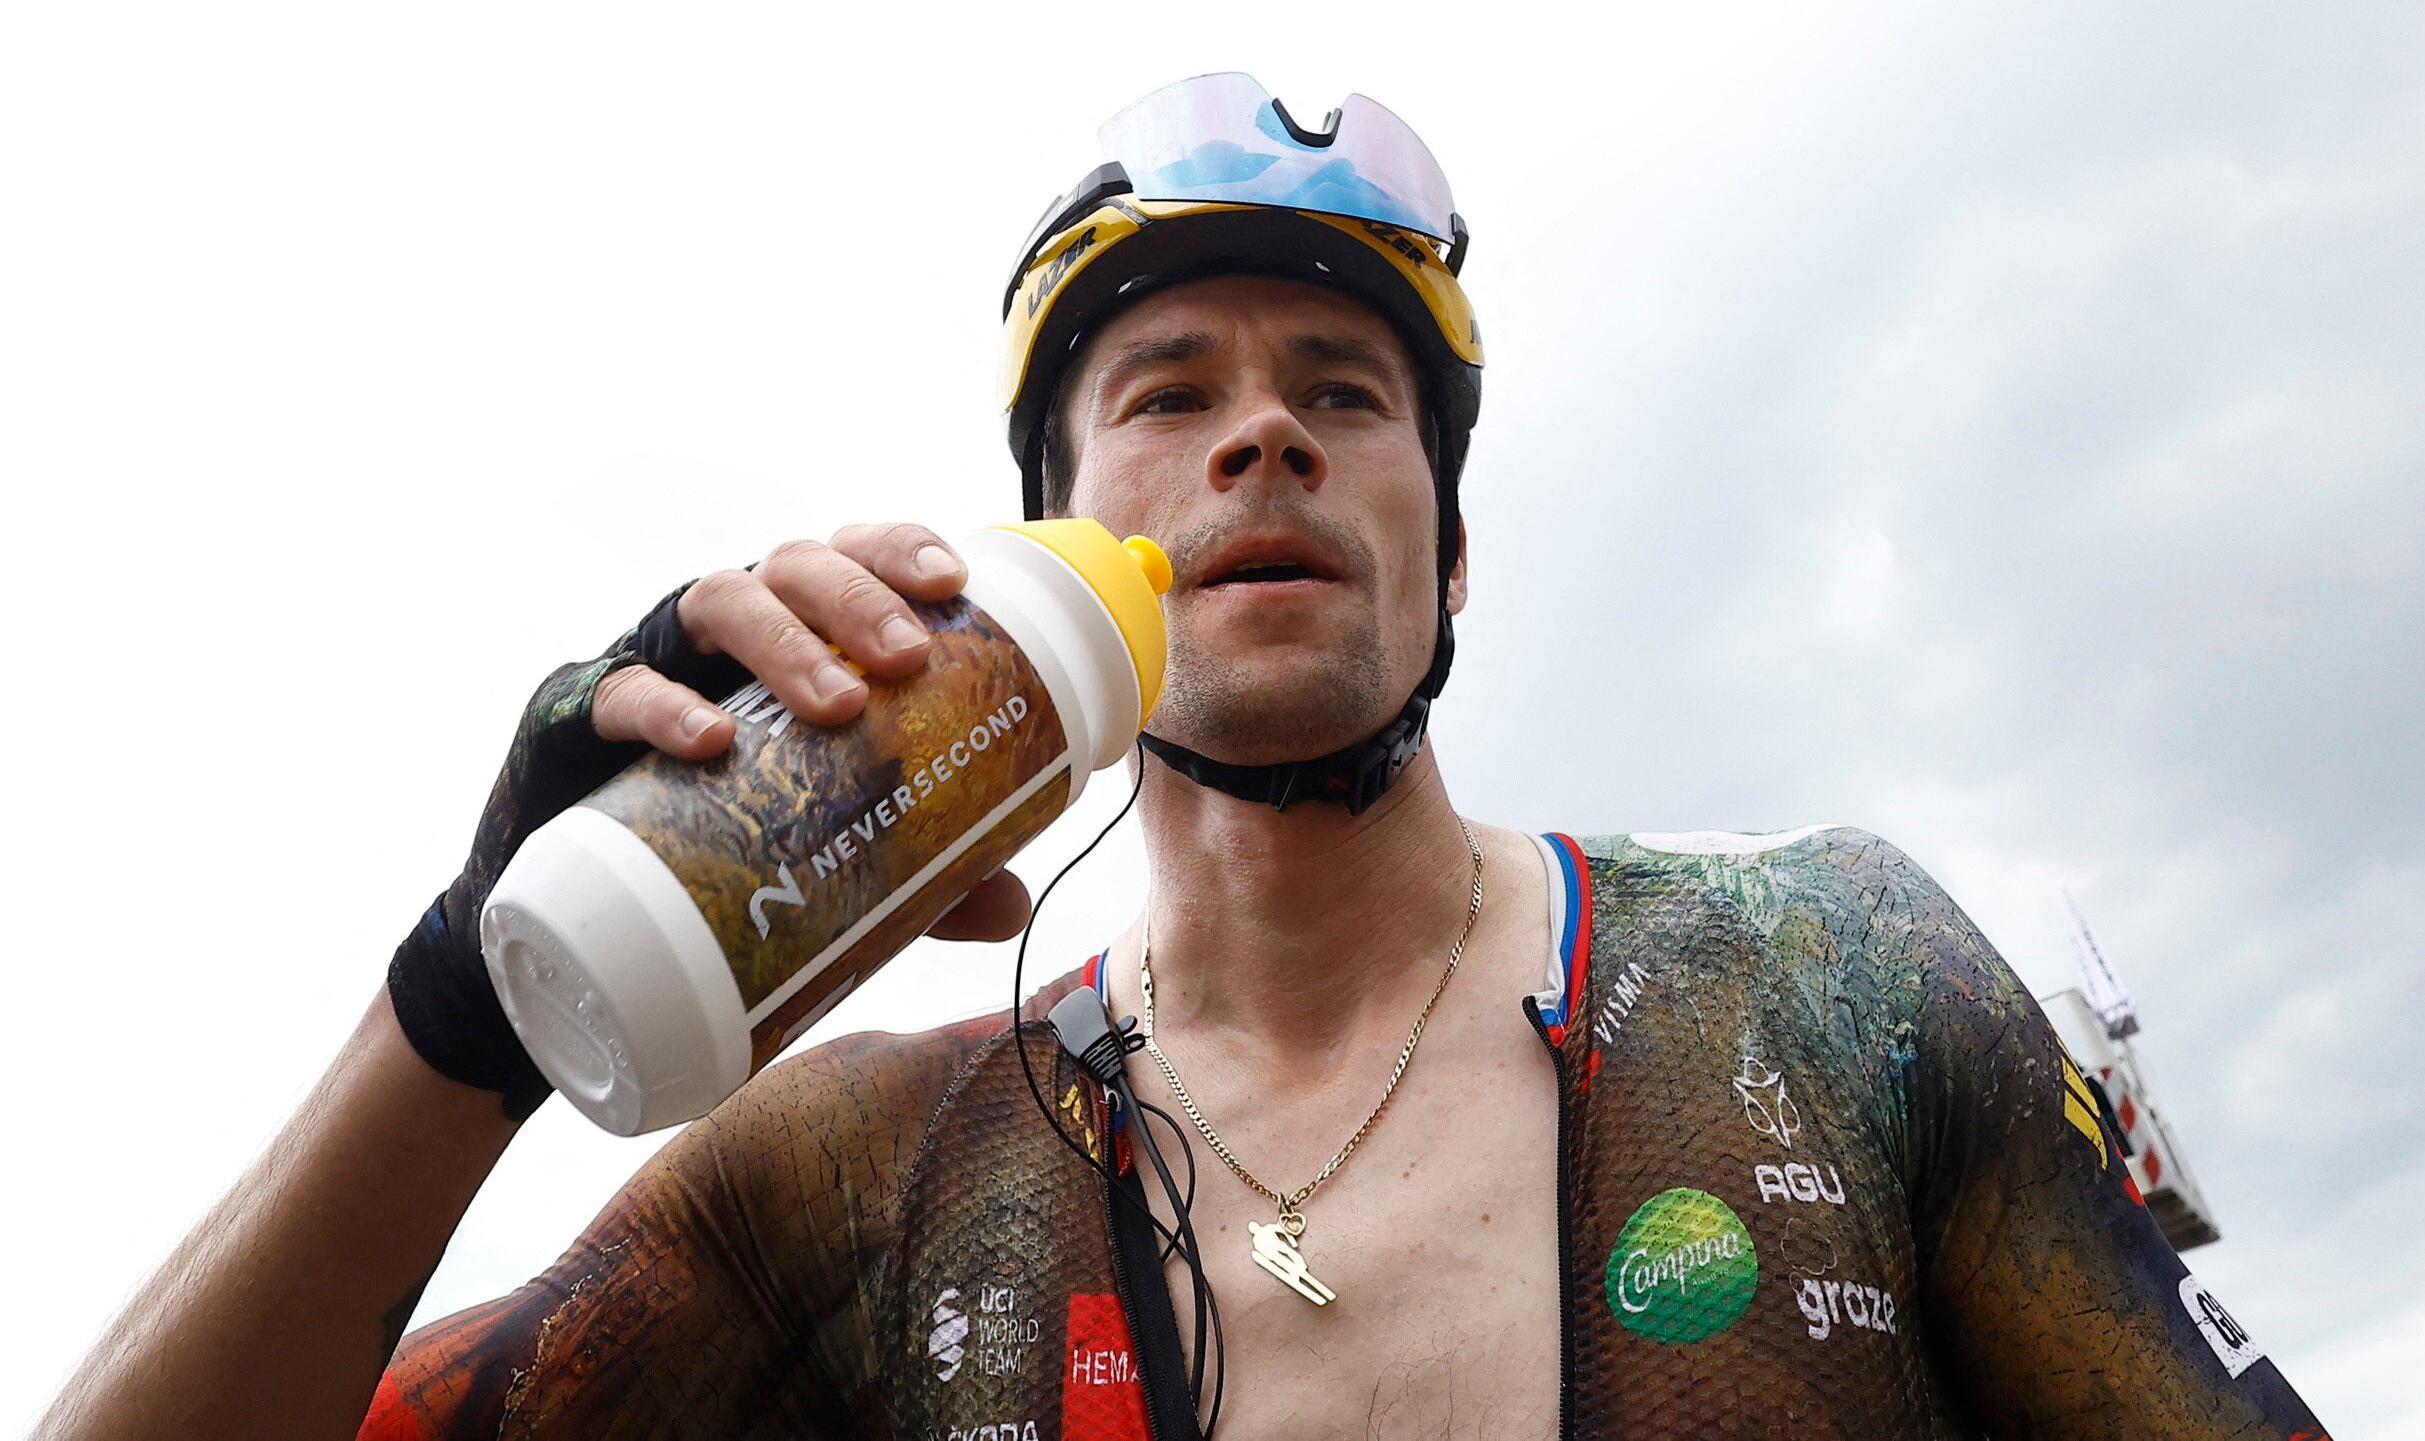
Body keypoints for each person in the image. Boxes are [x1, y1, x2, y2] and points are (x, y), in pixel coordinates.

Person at [36, 74, 2327, 1441]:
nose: (1262, 429)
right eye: (1169, 390)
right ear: (1058, 547)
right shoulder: (861, 1160)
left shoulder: (1832, 974)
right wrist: (458, 1008)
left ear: (1452, 553)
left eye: (1347, 394)